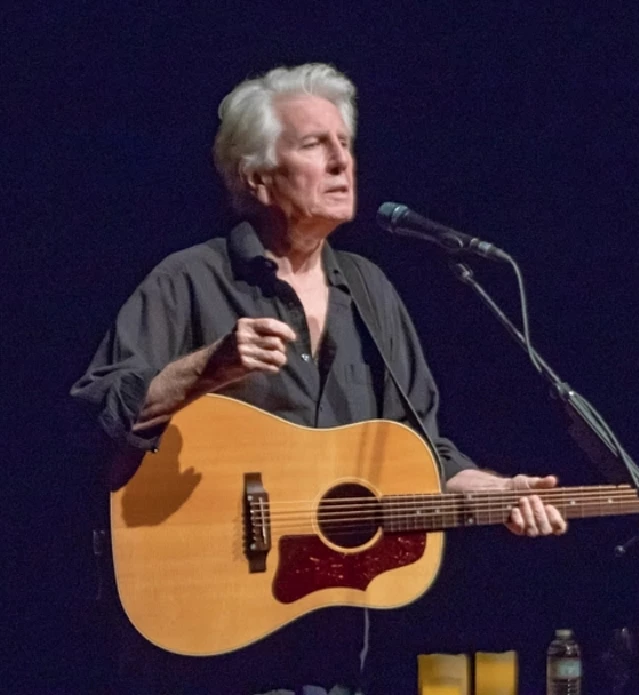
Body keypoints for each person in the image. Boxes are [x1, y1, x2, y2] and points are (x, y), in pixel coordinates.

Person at [71, 63, 567, 695]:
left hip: (331, 654)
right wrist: (204, 369)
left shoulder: (370, 291)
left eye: (345, 144)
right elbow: (91, 418)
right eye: (314, 145)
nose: (342, 161)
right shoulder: (188, 281)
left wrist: (498, 491)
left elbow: (423, 452)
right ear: (257, 176)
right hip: (204, 649)